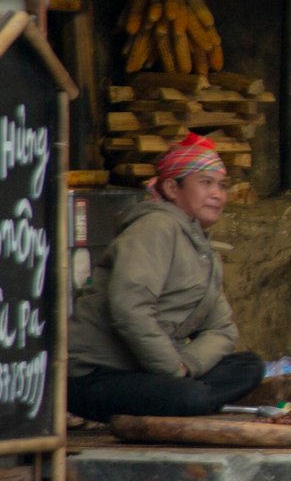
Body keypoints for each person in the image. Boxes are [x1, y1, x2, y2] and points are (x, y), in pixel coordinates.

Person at [68, 133, 262, 423]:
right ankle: (188, 399)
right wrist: (173, 370)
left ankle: (183, 398)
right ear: (172, 188)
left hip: (153, 372)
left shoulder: (201, 249)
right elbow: (129, 308)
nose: (218, 195)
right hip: (97, 374)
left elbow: (221, 328)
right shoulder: (155, 227)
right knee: (190, 396)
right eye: (205, 183)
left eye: (222, 185)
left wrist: (187, 365)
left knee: (249, 366)